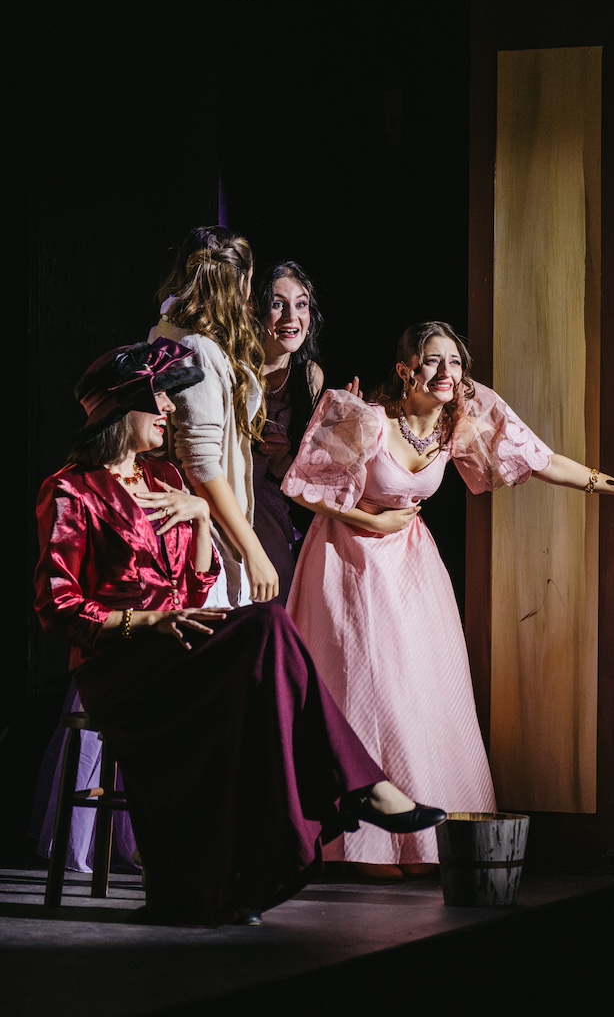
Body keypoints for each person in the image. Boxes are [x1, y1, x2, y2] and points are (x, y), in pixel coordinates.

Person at [33, 337, 447, 927]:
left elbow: (196, 587)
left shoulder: (165, 477)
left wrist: (202, 516)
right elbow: (57, 606)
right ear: (124, 412)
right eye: (161, 404)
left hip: (179, 649)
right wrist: (148, 619)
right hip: (120, 665)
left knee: (267, 638)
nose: (173, 412)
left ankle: (246, 872)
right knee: (267, 628)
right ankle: (354, 788)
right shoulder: (72, 490)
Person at [282, 320, 614, 880]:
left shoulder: (461, 419)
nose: (447, 374)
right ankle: (359, 845)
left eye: (456, 363)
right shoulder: (361, 415)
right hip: (348, 562)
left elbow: (541, 458)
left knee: (421, 695)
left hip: (411, 568)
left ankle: (422, 841)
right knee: (372, 690)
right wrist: (372, 517)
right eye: (433, 361)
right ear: (404, 367)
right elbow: (303, 487)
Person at [148, 225, 276, 608]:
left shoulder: (169, 333)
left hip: (198, 530)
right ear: (240, 283)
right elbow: (201, 463)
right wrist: (253, 550)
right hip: (204, 539)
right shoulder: (196, 348)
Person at [252, 261, 325, 603]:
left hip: (271, 503)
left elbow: (288, 470)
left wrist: (341, 431)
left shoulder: (309, 375)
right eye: (277, 304)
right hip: (225, 493)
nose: (291, 317)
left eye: (301, 304)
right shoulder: (236, 367)